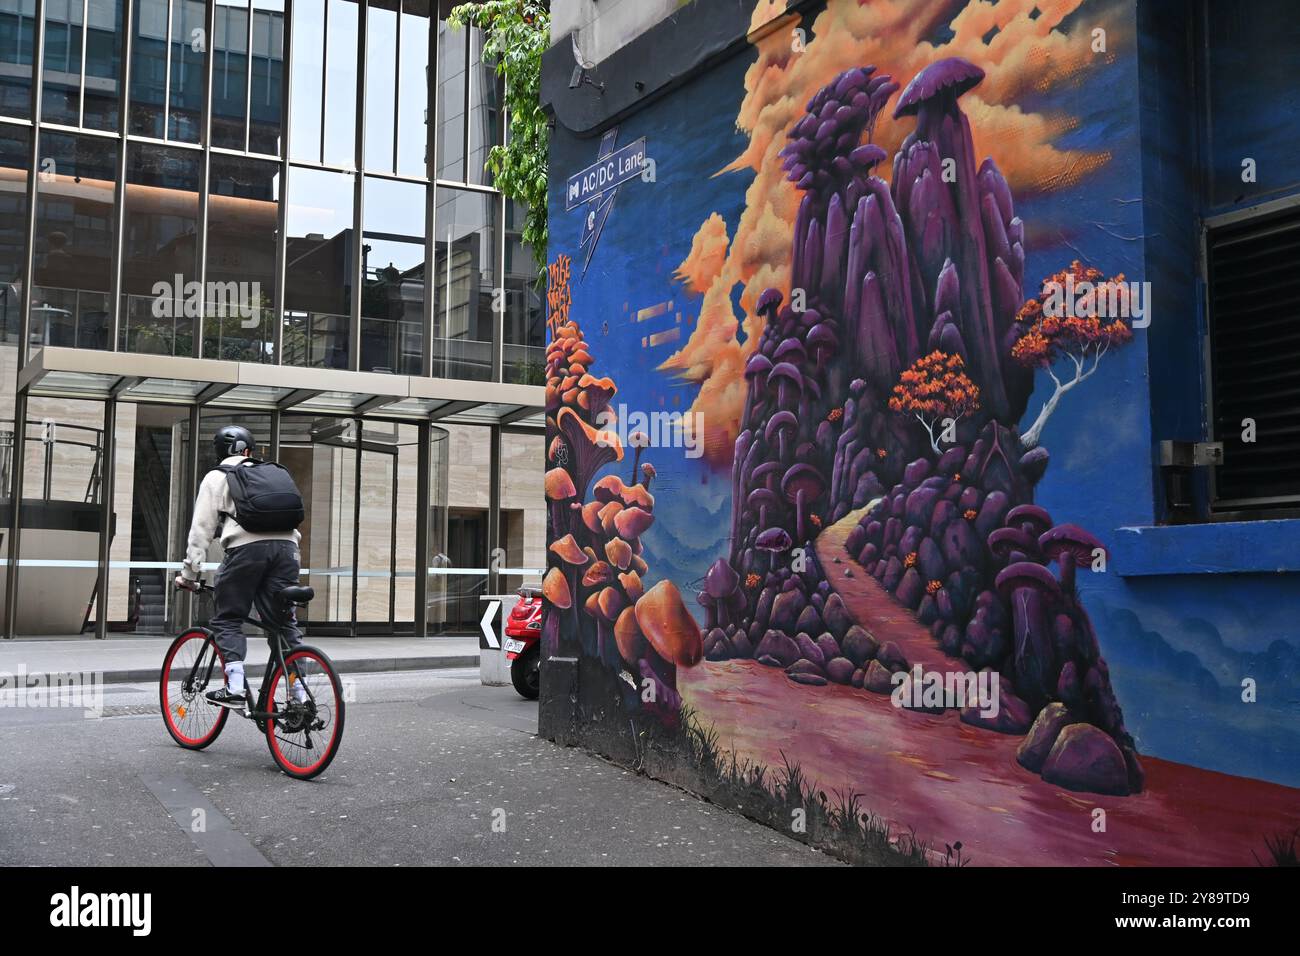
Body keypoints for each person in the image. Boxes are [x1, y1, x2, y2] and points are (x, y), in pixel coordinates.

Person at [175, 425, 305, 708]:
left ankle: (234, 687)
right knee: (283, 624)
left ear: (219, 452)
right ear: (248, 451)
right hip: (288, 550)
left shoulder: (217, 476)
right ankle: (299, 693)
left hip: (246, 552)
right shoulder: (271, 473)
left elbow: (201, 530)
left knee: (228, 618)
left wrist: (189, 574)